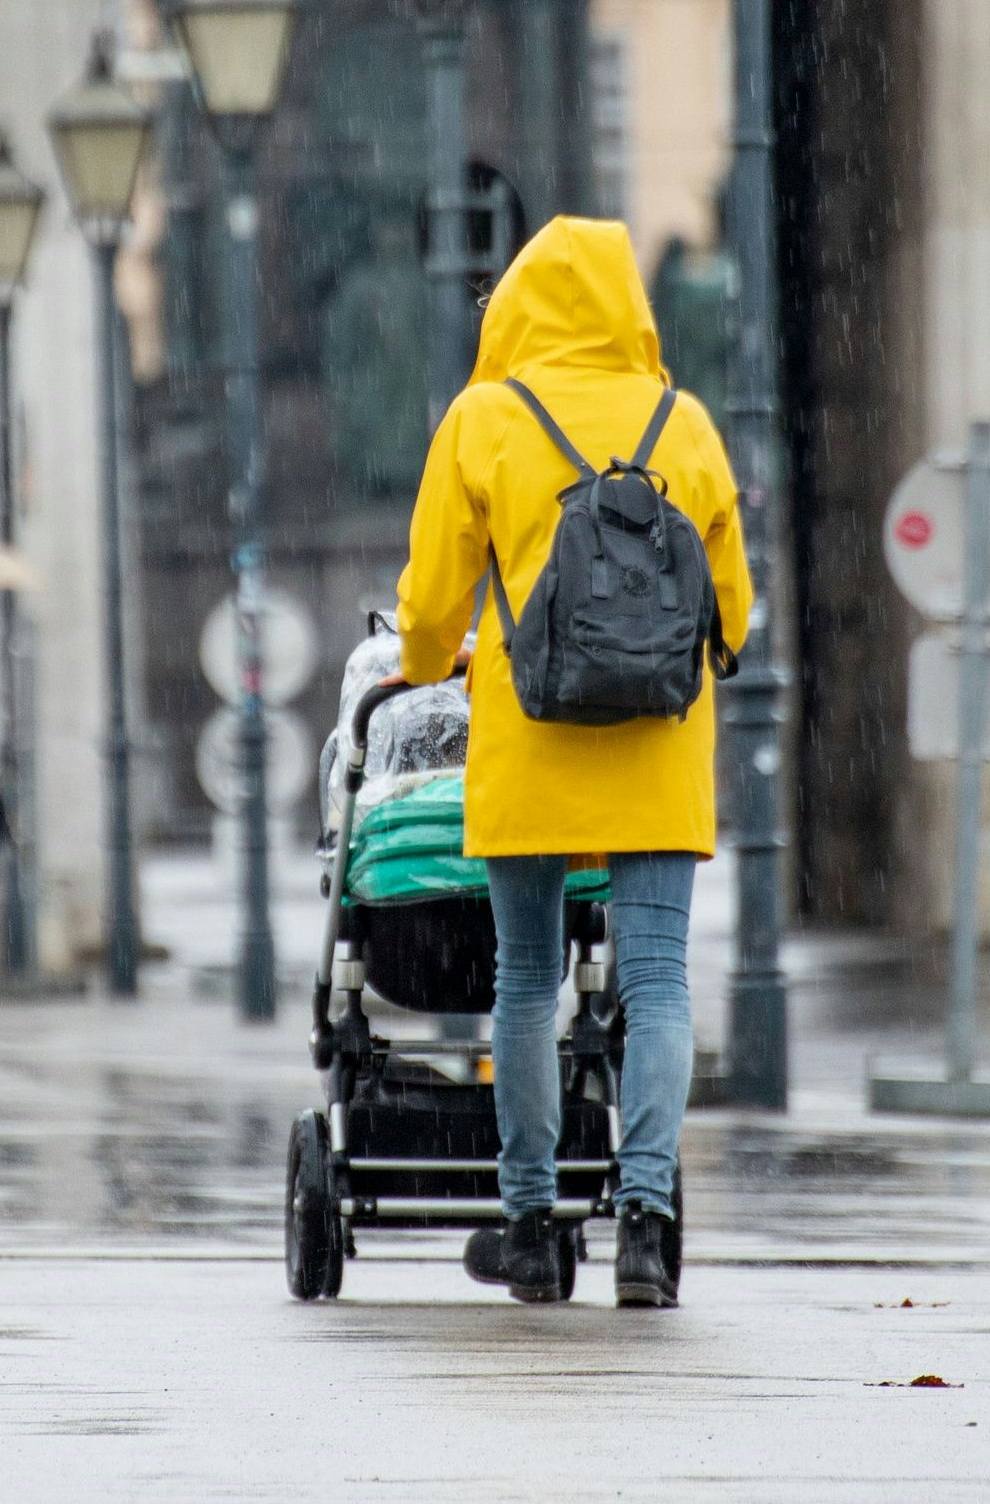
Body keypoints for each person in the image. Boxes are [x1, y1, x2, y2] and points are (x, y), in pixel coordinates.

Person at [391, 218, 749, 1307]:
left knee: (525, 978)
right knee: (656, 981)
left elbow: (430, 598)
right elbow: (729, 602)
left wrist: (422, 664)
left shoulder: (485, 418)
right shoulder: (680, 422)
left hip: (531, 733)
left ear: (518, 307)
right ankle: (644, 1217)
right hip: (656, 740)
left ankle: (532, 1222)